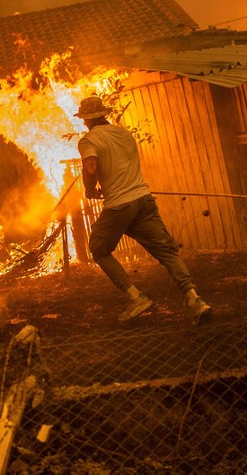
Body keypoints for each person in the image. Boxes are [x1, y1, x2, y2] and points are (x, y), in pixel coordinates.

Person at [75, 95, 213, 325]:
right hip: (143, 200)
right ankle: (195, 300)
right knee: (167, 252)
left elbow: (90, 166)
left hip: (120, 205)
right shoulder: (124, 134)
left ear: (87, 120)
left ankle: (136, 298)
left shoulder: (88, 140)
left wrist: (90, 189)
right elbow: (119, 167)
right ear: (104, 114)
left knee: (98, 248)